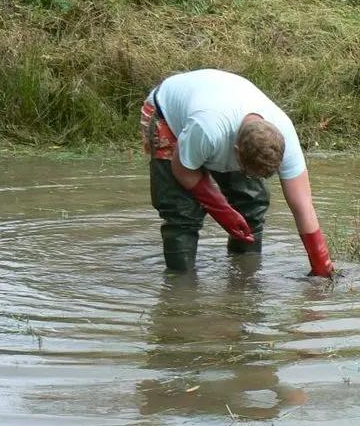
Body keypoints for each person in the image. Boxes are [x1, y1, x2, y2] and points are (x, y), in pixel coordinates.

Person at [139, 68, 333, 276]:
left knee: (252, 203)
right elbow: (182, 169)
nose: (250, 177)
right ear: (236, 153)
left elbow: (303, 207)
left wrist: (321, 268)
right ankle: (181, 292)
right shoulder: (207, 129)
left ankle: (245, 281)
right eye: (246, 171)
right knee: (182, 213)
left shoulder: (285, 133)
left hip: (219, 107)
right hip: (166, 115)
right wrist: (223, 212)